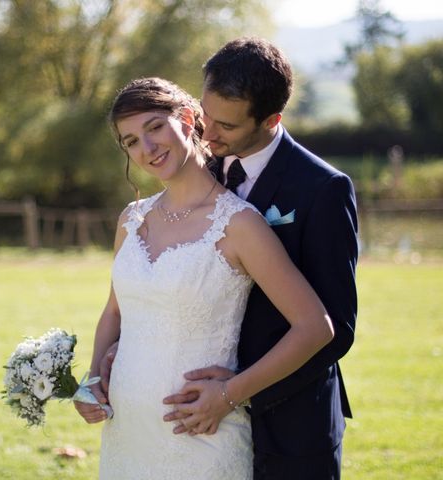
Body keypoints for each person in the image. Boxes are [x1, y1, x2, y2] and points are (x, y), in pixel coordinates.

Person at [101, 38, 359, 479]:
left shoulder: (321, 189)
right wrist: (126, 351)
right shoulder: (194, 165)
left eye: (226, 126)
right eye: (204, 116)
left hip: (288, 419)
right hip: (173, 418)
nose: (209, 133)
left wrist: (235, 391)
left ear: (271, 119)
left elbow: (334, 330)